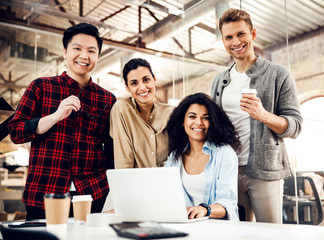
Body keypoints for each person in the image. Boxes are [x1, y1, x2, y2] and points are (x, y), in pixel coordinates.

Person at [8, 23, 116, 221]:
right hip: (45, 193)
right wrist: (55, 116)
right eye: (77, 48)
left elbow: (111, 151)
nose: (84, 56)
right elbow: (16, 132)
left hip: (93, 195)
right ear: (65, 52)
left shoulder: (107, 99)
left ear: (98, 56)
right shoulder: (41, 87)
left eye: (91, 51)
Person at [211, 8, 303, 223]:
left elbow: (296, 126)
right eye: (229, 37)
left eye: (241, 34)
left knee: (269, 234)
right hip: (228, 171)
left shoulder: (278, 74)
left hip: (264, 171)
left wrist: (263, 115)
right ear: (224, 41)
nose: (236, 42)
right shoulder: (218, 81)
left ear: (253, 34)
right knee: (235, 233)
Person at [165, 93, 240, 221]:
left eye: (205, 118)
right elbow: (165, 194)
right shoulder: (174, 158)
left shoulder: (225, 154)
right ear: (182, 121)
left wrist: (204, 209)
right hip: (185, 226)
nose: (199, 123)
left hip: (217, 229)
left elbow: (228, 204)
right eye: (192, 116)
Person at [109, 58, 174, 168]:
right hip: (136, 182)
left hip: (168, 180)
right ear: (127, 87)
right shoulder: (122, 109)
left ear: (154, 79)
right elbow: (123, 160)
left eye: (146, 80)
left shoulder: (171, 113)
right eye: (134, 83)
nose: (142, 87)